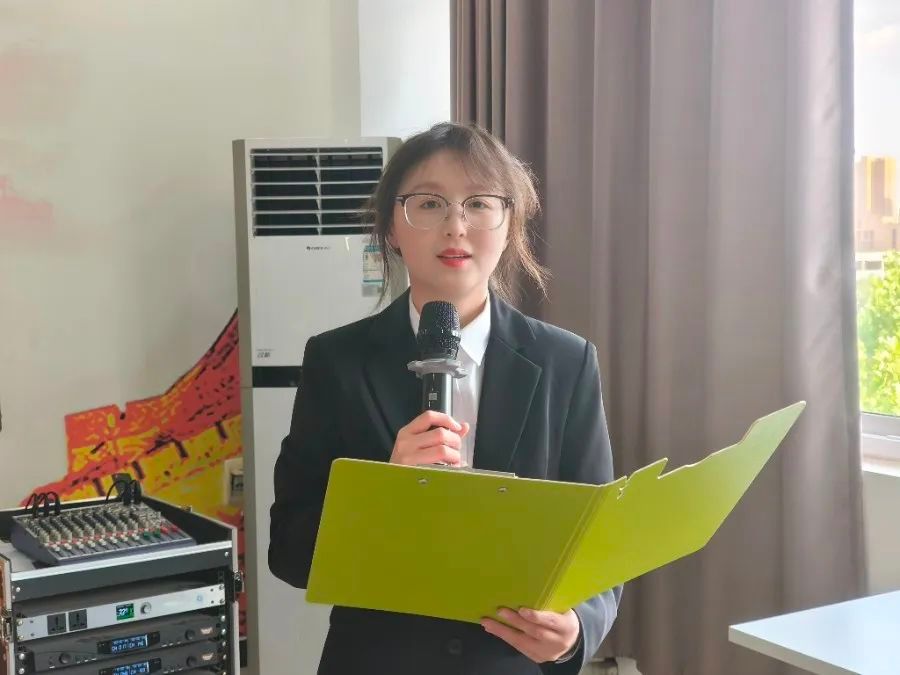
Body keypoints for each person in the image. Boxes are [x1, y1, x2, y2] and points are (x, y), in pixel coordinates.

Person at [269, 121, 621, 675]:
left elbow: (602, 540)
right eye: (429, 204)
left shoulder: (566, 361)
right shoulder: (336, 361)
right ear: (391, 228)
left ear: (510, 225)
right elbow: (289, 552)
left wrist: (577, 629)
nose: (456, 226)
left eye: (479, 203)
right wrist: (383, 495)